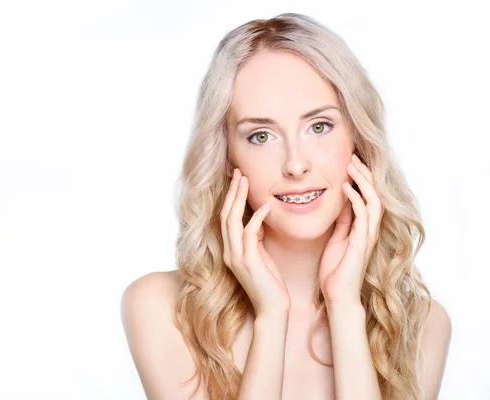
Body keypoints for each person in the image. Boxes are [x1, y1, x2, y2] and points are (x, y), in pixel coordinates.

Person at [121, 12, 451, 400]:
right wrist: (271, 317)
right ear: (228, 160)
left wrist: (344, 308)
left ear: (358, 140)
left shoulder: (422, 326)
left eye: (319, 126)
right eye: (261, 135)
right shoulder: (161, 308)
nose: (296, 165)